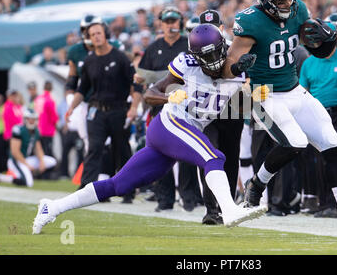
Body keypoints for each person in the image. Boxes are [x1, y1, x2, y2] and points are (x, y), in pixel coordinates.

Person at [32, 24, 267, 234]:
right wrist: (169, 98)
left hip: (176, 134)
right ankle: (228, 211)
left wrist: (256, 96)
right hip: (171, 124)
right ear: (196, 57)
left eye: (217, 52)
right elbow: (150, 93)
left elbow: (237, 107)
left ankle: (52, 206)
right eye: (208, 56)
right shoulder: (187, 65)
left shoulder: (238, 73)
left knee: (118, 184)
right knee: (215, 157)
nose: (214, 59)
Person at [222, 0, 337, 232]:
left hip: (295, 90)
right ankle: (258, 184)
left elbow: (317, 51)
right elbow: (227, 65)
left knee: (331, 141)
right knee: (295, 142)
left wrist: (325, 42)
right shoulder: (250, 22)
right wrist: (239, 67)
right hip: (265, 93)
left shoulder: (299, 9)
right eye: (282, 1)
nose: (288, 5)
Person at [66, 21, 142, 191]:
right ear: (89, 39)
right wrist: (71, 107)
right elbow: (82, 88)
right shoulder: (89, 61)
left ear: (105, 34)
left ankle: (127, 189)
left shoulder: (120, 57)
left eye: (99, 33)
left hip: (119, 109)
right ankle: (86, 188)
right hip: (97, 110)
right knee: (94, 148)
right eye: (92, 35)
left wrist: (134, 107)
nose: (96, 37)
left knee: (121, 149)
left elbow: (136, 85)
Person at [299, 21, 337, 218]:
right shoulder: (309, 62)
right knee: (318, 161)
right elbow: (302, 93)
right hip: (316, 114)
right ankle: (324, 202)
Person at [137, 6, 196, 212]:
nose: (171, 25)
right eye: (167, 21)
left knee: (187, 152)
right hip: (160, 106)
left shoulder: (188, 45)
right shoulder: (153, 48)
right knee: (160, 153)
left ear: (180, 22)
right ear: (161, 23)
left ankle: (189, 197)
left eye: (175, 21)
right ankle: (165, 198)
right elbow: (141, 79)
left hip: (185, 106)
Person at [195, 9, 245, 224]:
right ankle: (211, 209)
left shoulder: (235, 49)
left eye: (216, 26)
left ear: (222, 28)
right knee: (209, 156)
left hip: (232, 108)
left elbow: (248, 78)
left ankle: (227, 206)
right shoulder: (193, 49)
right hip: (205, 109)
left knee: (231, 158)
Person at [65, 15, 124, 155]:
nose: (93, 35)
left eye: (98, 31)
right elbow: (72, 80)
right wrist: (70, 102)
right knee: (88, 140)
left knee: (114, 141)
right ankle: (96, 174)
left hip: (112, 103)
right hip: (87, 102)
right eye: (88, 31)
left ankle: (111, 172)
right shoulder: (76, 52)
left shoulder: (114, 47)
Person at [0, 108, 56, 187]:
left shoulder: (36, 131)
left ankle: (30, 174)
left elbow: (38, 149)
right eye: (30, 119)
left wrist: (42, 162)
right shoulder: (19, 130)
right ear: (25, 119)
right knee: (28, 183)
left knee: (52, 161)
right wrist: (28, 166)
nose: (32, 121)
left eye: (34, 119)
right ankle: (1, 177)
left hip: (26, 159)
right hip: (16, 161)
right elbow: (15, 152)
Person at [34, 81, 59, 158]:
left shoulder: (38, 99)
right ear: (51, 88)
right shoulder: (49, 100)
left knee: (39, 150)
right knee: (47, 151)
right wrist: (56, 123)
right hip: (47, 130)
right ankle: (47, 168)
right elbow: (53, 117)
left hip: (38, 129)